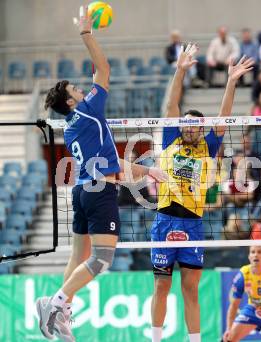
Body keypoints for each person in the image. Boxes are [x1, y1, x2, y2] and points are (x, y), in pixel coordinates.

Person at [36, 6, 167, 341]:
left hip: (82, 190)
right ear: (70, 102)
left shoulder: (70, 128)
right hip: (98, 192)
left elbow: (115, 167)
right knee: (102, 259)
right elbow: (104, 70)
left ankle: (60, 309)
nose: (82, 89)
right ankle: (56, 302)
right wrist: (86, 33)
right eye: (75, 90)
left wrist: (149, 172)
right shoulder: (90, 112)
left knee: (80, 254)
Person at [150, 43, 254, 342]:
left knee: (190, 288)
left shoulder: (208, 145)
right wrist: (180, 71)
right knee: (161, 286)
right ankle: (155, 339)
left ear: (201, 128)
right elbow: (172, 105)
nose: (191, 128)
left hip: (193, 222)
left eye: (196, 125)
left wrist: (231, 82)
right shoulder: (171, 137)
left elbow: (223, 116)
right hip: (165, 220)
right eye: (187, 124)